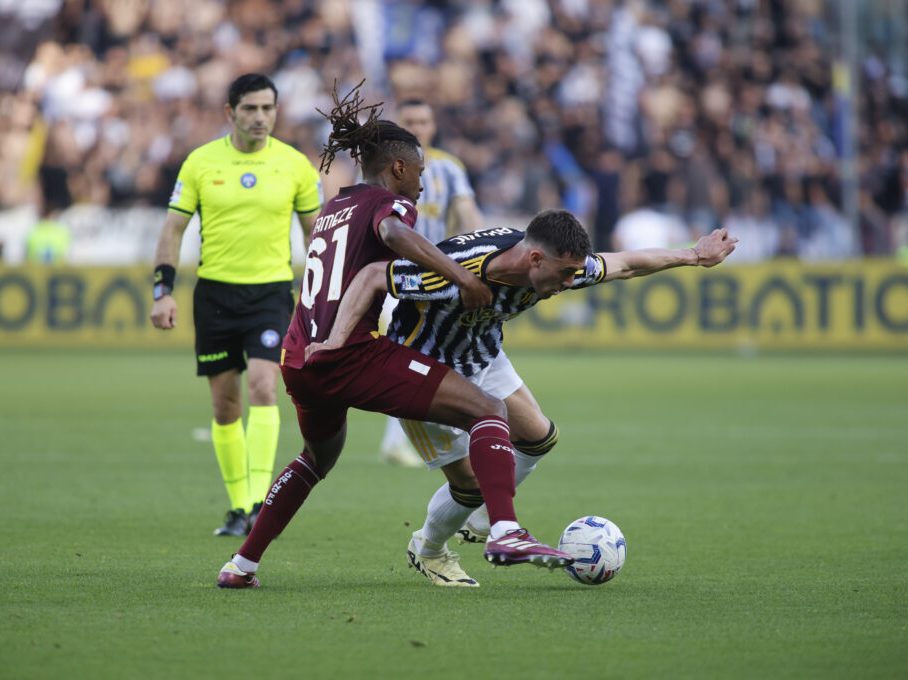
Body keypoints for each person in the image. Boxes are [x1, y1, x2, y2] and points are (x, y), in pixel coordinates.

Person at [216, 82, 575, 589]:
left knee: (315, 460)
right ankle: (506, 531)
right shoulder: (390, 203)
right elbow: (394, 234)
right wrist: (464, 277)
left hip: (301, 357)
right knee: (488, 411)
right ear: (399, 168)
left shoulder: (333, 210)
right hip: (351, 355)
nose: (423, 187)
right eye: (421, 174)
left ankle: (241, 565)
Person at [307, 211, 737, 587]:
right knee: (470, 484)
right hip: (424, 368)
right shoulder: (453, 270)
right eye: (564, 274)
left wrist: (694, 256)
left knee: (538, 436)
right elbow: (369, 278)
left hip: (482, 354)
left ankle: (480, 518)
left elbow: (624, 264)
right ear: (535, 259)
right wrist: (334, 341)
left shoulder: (556, 263)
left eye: (574, 273)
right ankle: (429, 548)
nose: (570, 283)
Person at [149, 73, 322, 536]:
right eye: (250, 109)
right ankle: (236, 506)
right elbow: (173, 229)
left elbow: (316, 236)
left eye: (268, 108)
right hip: (215, 296)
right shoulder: (201, 163)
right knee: (225, 404)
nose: (260, 117)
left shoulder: (295, 166)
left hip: (270, 293)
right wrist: (162, 291)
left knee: (265, 387)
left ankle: (259, 502)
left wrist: (321, 296)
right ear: (230, 112)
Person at [377, 99, 485, 467]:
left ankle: (429, 434)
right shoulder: (387, 168)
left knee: (429, 357)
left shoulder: (449, 169)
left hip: (438, 279)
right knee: (405, 353)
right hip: (394, 276)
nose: (418, 127)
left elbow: (469, 214)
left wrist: (479, 256)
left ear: (434, 125)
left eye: (424, 120)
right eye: (410, 121)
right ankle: (400, 441)